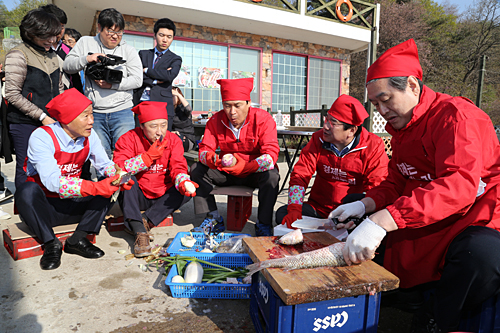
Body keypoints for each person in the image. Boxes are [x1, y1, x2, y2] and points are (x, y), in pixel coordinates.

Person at [329, 39, 500, 332]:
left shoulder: (456, 116)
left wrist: (383, 219)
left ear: (412, 85)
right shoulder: (402, 129)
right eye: (376, 104)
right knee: (362, 210)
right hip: (428, 206)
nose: (382, 110)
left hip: (476, 212)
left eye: (386, 99)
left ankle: (440, 317)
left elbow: (458, 185)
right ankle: (409, 295)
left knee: (479, 256)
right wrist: (364, 205)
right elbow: (396, 181)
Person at [14, 88, 134, 271]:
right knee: (26, 191)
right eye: (85, 116)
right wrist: (94, 188)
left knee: (111, 188)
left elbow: (104, 164)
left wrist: (119, 175)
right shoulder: (42, 137)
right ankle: (50, 243)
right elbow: (52, 181)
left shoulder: (89, 136)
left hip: (72, 202)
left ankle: (78, 239)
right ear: (68, 120)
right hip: (45, 207)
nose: (92, 121)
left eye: (92, 115)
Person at [275, 94, 388, 228]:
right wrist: (294, 207)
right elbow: (300, 174)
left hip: (350, 211)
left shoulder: (373, 145)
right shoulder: (318, 139)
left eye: (333, 123)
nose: (326, 127)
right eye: (326, 119)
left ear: (351, 130)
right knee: (282, 214)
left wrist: (359, 210)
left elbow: (376, 186)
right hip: (318, 208)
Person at [190, 78, 280, 237]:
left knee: (272, 176)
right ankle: (213, 217)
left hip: (253, 172)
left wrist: (248, 166)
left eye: (237, 105)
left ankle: (264, 222)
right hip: (227, 172)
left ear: (248, 103)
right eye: (227, 106)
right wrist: (214, 160)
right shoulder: (215, 120)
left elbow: (271, 156)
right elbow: (204, 151)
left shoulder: (263, 119)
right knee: (196, 169)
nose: (232, 112)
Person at [113, 101, 198, 257]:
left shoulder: (173, 140)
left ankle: (142, 221)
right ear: (142, 126)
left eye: (164, 125)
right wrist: (146, 158)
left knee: (185, 189)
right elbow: (118, 169)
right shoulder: (128, 139)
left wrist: (183, 181)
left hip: (162, 194)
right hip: (138, 195)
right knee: (126, 179)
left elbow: (178, 167)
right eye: (153, 126)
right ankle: (140, 232)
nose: (160, 132)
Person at [63, 8, 142, 159]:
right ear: (99, 27)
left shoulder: (129, 50)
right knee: (100, 157)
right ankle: (104, 183)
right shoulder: (86, 42)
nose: (115, 36)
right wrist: (87, 59)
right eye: (110, 31)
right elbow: (67, 65)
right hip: (95, 113)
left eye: (119, 32)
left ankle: (124, 183)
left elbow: (138, 80)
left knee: (125, 156)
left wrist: (112, 84)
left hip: (122, 112)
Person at [4, 8, 63, 189]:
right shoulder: (18, 54)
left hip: (50, 121)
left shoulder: (52, 55)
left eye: (54, 35)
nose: (52, 40)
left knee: (48, 168)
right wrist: (41, 116)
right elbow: (12, 94)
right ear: (31, 33)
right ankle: (26, 210)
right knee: (26, 169)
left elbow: (59, 88)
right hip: (25, 123)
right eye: (46, 36)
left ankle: (45, 208)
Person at [133, 18, 181, 131]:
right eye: (161, 35)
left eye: (169, 37)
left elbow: (169, 76)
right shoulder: (143, 54)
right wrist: (155, 80)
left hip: (162, 105)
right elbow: (136, 75)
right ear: (155, 35)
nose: (165, 40)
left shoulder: (175, 59)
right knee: (139, 140)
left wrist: (146, 71)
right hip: (141, 103)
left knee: (160, 142)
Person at [39, 4, 83, 93]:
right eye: (56, 26)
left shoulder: (69, 51)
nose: (59, 30)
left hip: (68, 99)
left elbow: (76, 79)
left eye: (62, 26)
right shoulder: (36, 50)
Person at [171, 87, 195, 152]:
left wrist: (178, 94)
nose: (171, 98)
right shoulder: (168, 110)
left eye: (173, 96)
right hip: (174, 137)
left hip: (187, 138)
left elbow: (189, 109)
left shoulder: (183, 109)